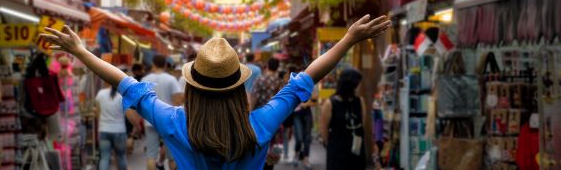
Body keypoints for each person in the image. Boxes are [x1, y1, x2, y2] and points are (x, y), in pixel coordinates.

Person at [41, 14, 389, 169]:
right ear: (238, 89)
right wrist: (348, 39)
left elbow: (125, 83)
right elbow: (306, 80)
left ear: (193, 89)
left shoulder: (175, 123)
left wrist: (80, 52)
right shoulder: (260, 125)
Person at [142, 54, 184, 170]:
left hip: (150, 120)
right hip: (168, 121)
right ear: (165, 65)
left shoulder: (145, 80)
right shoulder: (171, 80)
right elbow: (177, 101)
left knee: (151, 156)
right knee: (172, 157)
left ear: (153, 64)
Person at [319, 68, 367, 170]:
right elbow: (324, 129)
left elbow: (362, 124)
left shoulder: (360, 101)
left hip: (356, 150)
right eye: (356, 84)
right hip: (337, 151)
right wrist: (331, 145)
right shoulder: (330, 103)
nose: (358, 87)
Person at [94, 83, 141, 170]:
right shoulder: (122, 96)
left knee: (104, 158)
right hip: (119, 131)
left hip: (104, 130)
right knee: (121, 156)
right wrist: (137, 127)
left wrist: (100, 127)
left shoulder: (100, 94)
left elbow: (98, 114)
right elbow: (130, 115)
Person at [249, 57, 284, 169]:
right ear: (277, 68)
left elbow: (254, 99)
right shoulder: (279, 81)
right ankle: (270, 165)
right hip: (275, 118)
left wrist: (249, 114)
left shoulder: (260, 79)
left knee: (260, 147)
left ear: (267, 66)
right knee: (274, 146)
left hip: (260, 119)